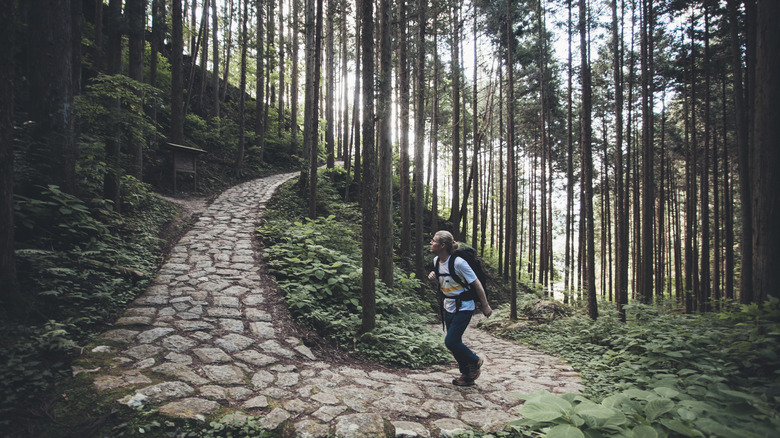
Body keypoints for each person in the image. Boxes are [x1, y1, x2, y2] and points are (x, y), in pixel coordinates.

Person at [427, 230, 493, 386]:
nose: (431, 243)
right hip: (448, 306)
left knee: (451, 342)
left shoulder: (459, 262)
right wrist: (434, 279)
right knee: (454, 343)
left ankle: (475, 360)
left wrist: (485, 305)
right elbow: (447, 283)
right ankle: (467, 375)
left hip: (464, 306)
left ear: (443, 245)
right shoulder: (436, 261)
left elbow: (476, 283)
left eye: (434, 240)